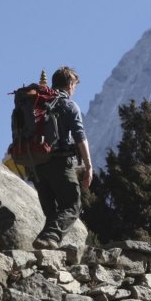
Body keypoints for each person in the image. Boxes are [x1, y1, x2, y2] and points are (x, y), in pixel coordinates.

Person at [31, 66, 93, 249]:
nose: (74, 90)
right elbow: (80, 137)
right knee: (72, 205)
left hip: (36, 164)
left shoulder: (38, 103)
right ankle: (49, 238)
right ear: (70, 84)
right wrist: (89, 167)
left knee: (52, 213)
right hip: (59, 161)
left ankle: (47, 249)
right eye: (74, 85)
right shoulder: (68, 105)